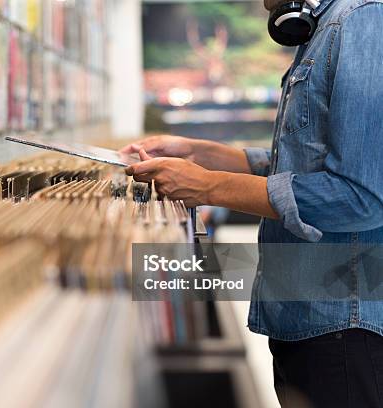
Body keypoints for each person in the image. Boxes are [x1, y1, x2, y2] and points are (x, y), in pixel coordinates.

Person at [122, 0, 383, 406]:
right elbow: (305, 161)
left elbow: (360, 196)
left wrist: (210, 187)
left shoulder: (362, 20)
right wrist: (202, 153)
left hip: (343, 328)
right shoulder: (325, 28)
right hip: (309, 318)